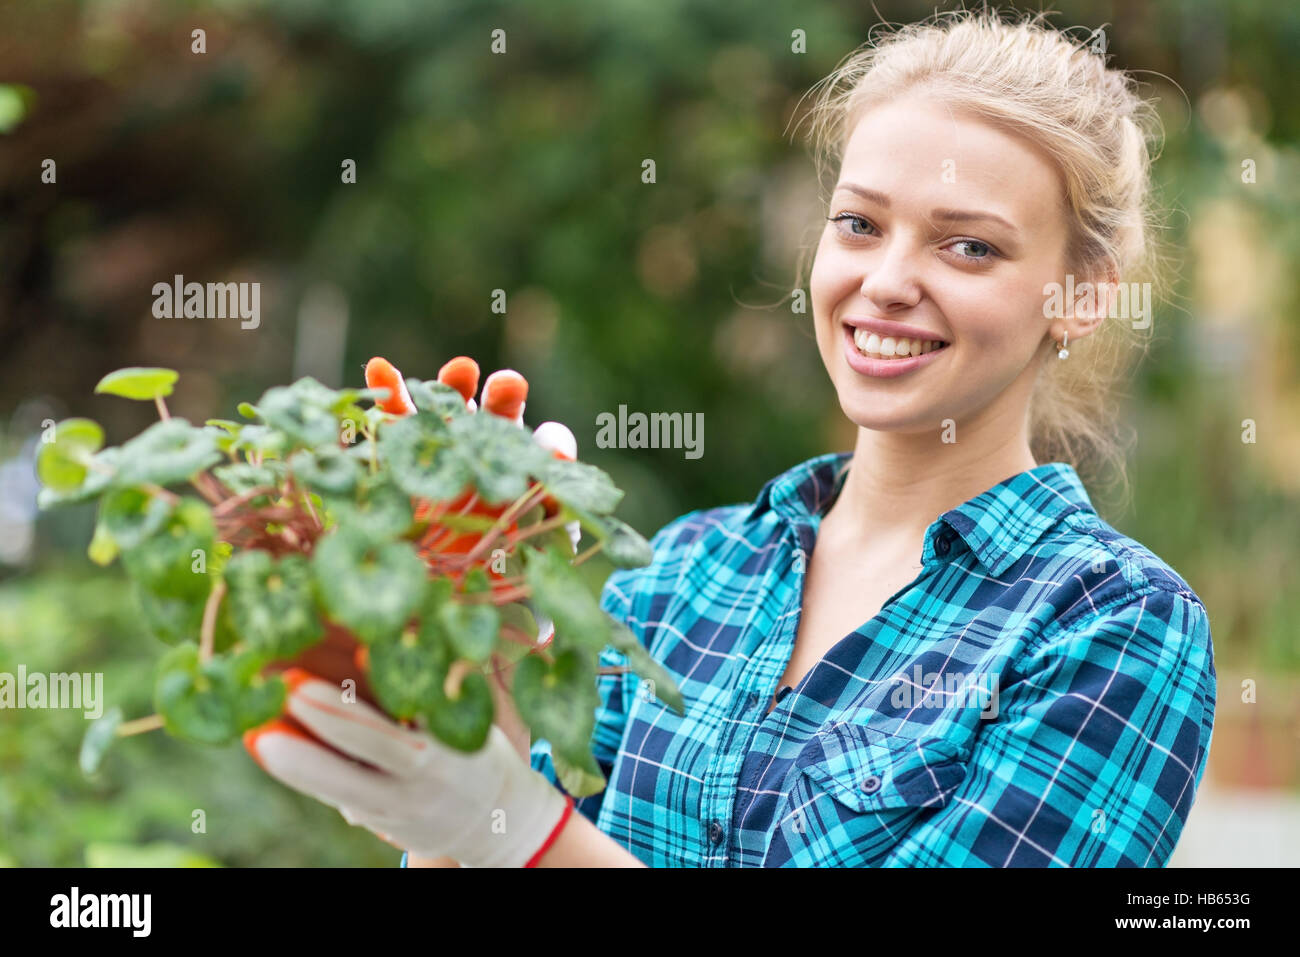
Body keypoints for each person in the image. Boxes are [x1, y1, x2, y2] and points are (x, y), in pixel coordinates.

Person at [245, 10, 1217, 867]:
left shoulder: (1110, 629)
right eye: (859, 224)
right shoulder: (682, 578)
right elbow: (506, 831)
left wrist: (514, 830)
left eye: (968, 245)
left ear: (1079, 294)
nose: (886, 280)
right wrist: (476, 644)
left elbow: (531, 839)